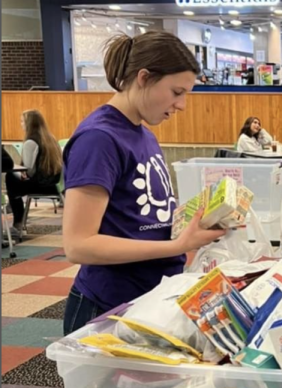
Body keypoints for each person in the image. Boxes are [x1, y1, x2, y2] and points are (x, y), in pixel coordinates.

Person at [62, 32, 225, 335]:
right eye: (177, 92)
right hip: (106, 307)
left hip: (146, 300)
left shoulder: (142, 132)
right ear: (144, 77)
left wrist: (196, 223)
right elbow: (78, 245)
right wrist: (176, 245)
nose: (182, 105)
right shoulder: (99, 139)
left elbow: (143, 220)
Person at [5, 110, 63, 241]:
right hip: (55, 184)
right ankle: (12, 202)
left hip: (41, 185)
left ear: (29, 124)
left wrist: (15, 170)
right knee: (13, 182)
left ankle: (17, 221)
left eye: (22, 121)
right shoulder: (51, 138)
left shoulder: (31, 142)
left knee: (10, 177)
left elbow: (28, 171)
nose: (21, 125)